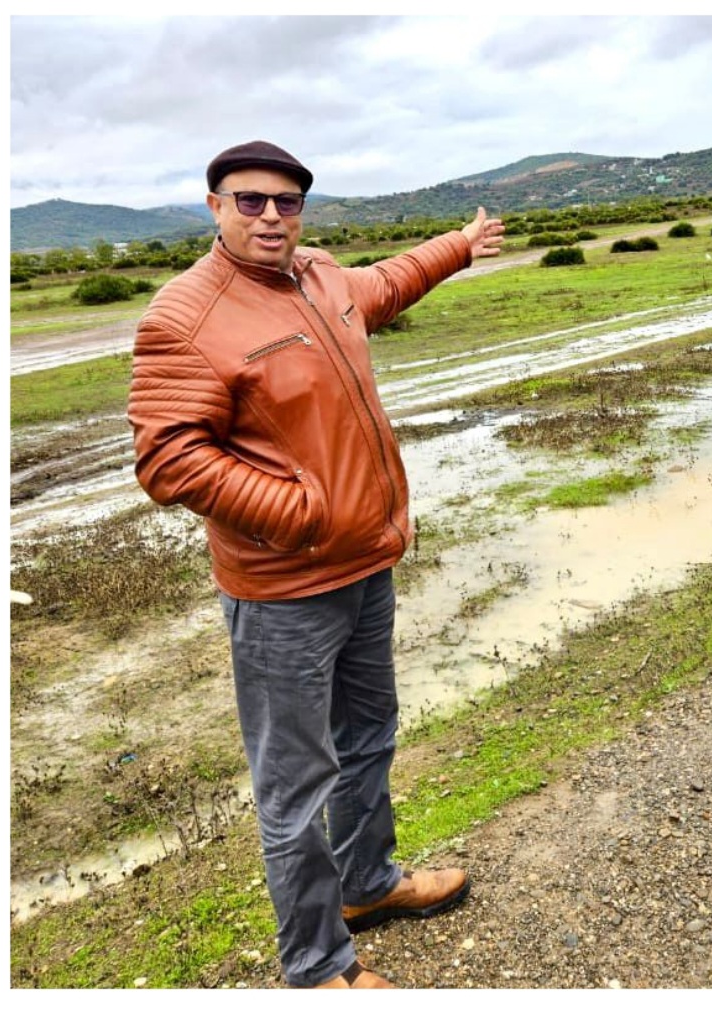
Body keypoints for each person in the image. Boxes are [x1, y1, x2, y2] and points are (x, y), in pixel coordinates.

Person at [127, 140, 505, 988]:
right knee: (295, 788)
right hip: (283, 593)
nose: (270, 217)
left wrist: (458, 245)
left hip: (365, 569)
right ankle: (314, 965)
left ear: (304, 210)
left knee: (368, 738)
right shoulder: (183, 316)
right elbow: (169, 460)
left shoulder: (324, 278)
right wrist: (304, 516)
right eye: (250, 201)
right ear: (214, 205)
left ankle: (368, 884)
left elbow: (390, 282)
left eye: (287, 203)